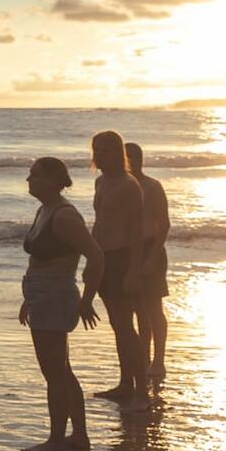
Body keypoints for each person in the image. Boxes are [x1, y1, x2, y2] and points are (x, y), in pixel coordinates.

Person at [19, 156, 104, 451]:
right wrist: (28, 299)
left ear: (55, 180)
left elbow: (96, 256)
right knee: (61, 370)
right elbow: (38, 261)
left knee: (54, 372)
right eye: (30, 175)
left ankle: (56, 441)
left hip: (56, 296)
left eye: (36, 175)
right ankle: (78, 435)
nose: (29, 180)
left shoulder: (65, 216)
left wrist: (87, 300)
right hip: (41, 295)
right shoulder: (44, 209)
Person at [90, 130, 148, 410]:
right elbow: (98, 222)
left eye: (105, 150)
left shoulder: (129, 185)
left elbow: (137, 231)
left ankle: (141, 393)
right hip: (102, 258)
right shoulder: (101, 182)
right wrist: (90, 258)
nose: (99, 155)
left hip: (122, 258)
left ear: (118, 152)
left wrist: (134, 270)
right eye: (96, 150)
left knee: (126, 327)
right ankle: (125, 384)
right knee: (116, 325)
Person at [126, 143, 171, 386]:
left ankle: (158, 359)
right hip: (126, 251)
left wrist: (153, 256)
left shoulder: (152, 187)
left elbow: (163, 224)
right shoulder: (117, 186)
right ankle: (141, 360)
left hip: (150, 248)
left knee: (153, 308)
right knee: (136, 310)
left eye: (133, 157)